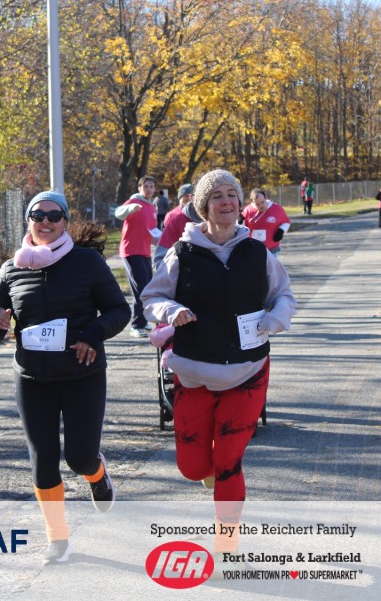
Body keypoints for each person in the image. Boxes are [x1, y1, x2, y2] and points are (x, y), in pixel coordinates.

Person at [141, 169, 296, 569]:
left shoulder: (257, 252)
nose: (226, 201)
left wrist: (274, 319)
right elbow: (152, 297)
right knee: (192, 467)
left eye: (232, 194)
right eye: (217, 196)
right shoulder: (182, 252)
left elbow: (283, 295)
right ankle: (210, 477)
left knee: (229, 460)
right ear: (203, 207)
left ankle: (226, 543)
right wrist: (172, 311)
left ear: (240, 203)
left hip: (248, 371)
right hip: (194, 372)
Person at [0, 192, 129, 565]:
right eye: (37, 215)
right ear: (28, 221)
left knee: (79, 458)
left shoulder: (86, 262)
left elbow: (119, 310)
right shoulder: (11, 269)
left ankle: (96, 473)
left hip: (82, 374)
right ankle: (57, 539)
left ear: (65, 221)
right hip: (32, 377)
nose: (45, 221)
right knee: (43, 460)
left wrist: (92, 335)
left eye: (53, 215)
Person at [115, 175, 160, 337]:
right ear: (140, 188)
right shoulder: (134, 201)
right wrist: (130, 209)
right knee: (141, 288)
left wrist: (164, 242)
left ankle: (143, 320)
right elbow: (118, 213)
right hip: (131, 251)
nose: (148, 189)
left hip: (145, 252)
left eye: (151, 186)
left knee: (147, 288)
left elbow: (152, 232)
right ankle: (136, 326)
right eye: (145, 186)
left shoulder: (152, 207)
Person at [153, 183, 201, 271]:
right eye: (185, 195)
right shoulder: (173, 216)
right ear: (180, 197)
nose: (188, 198)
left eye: (190, 195)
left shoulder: (208, 216)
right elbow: (165, 243)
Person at [241, 188, 291, 255]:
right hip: (253, 250)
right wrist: (239, 220)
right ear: (252, 201)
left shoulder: (276, 208)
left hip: (272, 249)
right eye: (257, 204)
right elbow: (241, 227)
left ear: (265, 198)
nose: (261, 206)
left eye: (262, 202)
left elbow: (286, 222)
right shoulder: (248, 211)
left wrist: (281, 231)